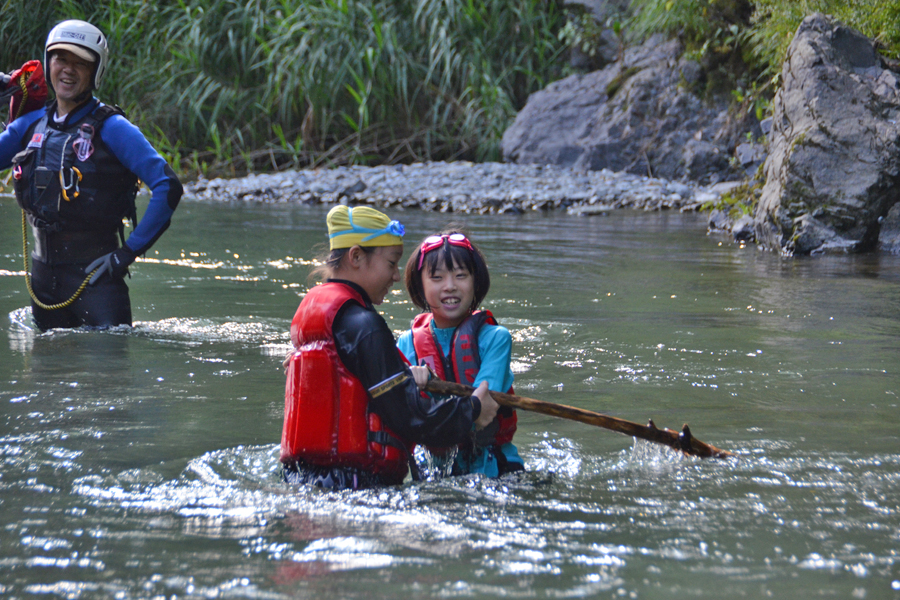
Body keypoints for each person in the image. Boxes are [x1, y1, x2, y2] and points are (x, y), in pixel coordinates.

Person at [280, 205, 500, 490]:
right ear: (356, 256)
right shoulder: (363, 325)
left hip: (301, 481)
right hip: (356, 486)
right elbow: (409, 416)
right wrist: (472, 410)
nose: (397, 276)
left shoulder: (316, 313)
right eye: (391, 263)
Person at [0, 20, 182, 331]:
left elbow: (168, 186)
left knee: (104, 379)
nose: (68, 70)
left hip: (98, 284)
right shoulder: (30, 124)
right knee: (48, 377)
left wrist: (125, 255)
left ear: (95, 71)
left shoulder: (113, 128)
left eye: (80, 62)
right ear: (48, 63)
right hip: (43, 284)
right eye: (61, 59)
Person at [397, 228, 525, 478]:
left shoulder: (497, 339)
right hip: (433, 470)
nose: (450, 287)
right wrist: (410, 388)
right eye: (436, 278)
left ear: (475, 281)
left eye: (461, 275)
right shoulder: (406, 344)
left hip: (496, 472)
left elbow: (481, 413)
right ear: (420, 286)